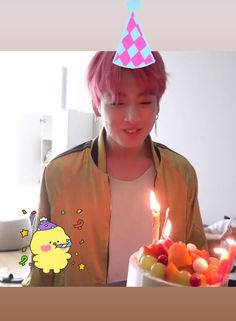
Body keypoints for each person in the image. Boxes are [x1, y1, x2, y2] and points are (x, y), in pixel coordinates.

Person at [23, 51, 206, 287]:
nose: (132, 117)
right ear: (97, 106)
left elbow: (198, 263)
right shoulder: (61, 173)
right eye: (118, 102)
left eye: (145, 102)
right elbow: (42, 269)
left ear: (158, 105)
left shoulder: (181, 173)